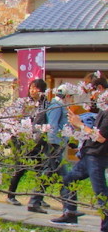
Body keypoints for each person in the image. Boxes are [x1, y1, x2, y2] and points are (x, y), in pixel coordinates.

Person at [51, 76, 108, 232]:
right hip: (89, 154)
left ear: (98, 88)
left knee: (102, 195)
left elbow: (100, 137)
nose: (91, 97)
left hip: (98, 156)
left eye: (91, 92)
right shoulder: (103, 108)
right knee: (69, 179)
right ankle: (71, 212)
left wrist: (80, 125)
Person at [27, 84, 73, 214]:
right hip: (54, 145)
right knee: (64, 175)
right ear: (67, 95)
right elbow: (52, 126)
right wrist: (54, 145)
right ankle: (69, 208)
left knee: (48, 173)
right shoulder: (56, 106)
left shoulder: (58, 105)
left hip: (57, 144)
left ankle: (34, 201)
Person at [6, 78, 49, 205]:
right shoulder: (24, 104)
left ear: (42, 91)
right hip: (22, 140)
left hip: (38, 141)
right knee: (20, 167)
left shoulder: (45, 105)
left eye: (35, 88)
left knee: (40, 169)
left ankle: (38, 198)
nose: (32, 91)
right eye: (31, 88)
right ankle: (11, 195)